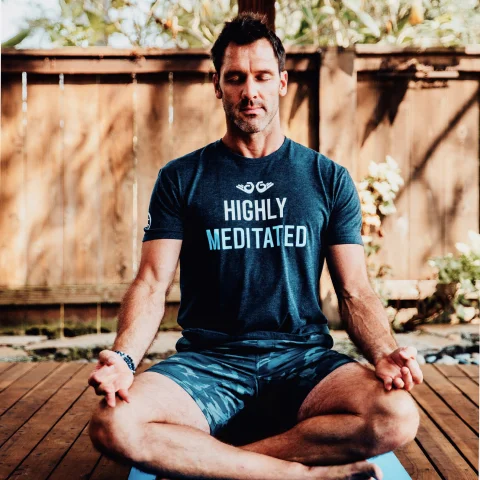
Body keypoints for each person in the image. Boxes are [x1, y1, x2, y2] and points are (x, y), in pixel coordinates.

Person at [88, 12, 423, 480]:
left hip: (304, 362)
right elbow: (151, 282)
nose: (251, 91)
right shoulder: (181, 179)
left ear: (282, 82)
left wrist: (384, 353)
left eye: (263, 77)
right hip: (208, 364)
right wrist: (124, 361)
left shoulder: (327, 179)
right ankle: (297, 475)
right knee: (112, 424)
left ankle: (219, 462)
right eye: (237, 78)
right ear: (217, 85)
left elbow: (356, 291)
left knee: (399, 415)